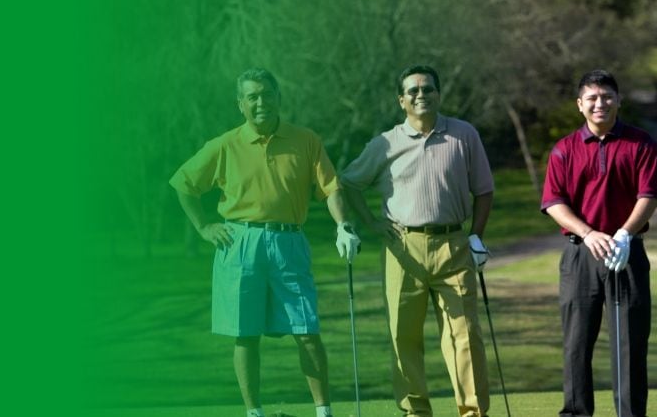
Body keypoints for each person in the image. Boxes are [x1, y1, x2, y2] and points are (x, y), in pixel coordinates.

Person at [170, 68, 360, 417]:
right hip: (239, 243)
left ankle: (323, 412)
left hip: (289, 242)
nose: (261, 102)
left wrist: (343, 226)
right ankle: (254, 412)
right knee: (246, 333)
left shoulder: (305, 140)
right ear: (240, 104)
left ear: (279, 98)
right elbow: (184, 184)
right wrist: (203, 227)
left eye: (266, 94)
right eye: (252, 96)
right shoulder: (224, 145)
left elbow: (330, 187)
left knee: (306, 329)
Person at [339, 65, 495, 417]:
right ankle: (415, 412)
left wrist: (477, 236)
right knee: (402, 335)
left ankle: (472, 412)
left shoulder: (464, 134)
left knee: (464, 335)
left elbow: (484, 191)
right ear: (401, 100)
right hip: (402, 247)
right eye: (413, 91)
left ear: (439, 95)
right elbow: (349, 181)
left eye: (428, 89)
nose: (421, 95)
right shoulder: (385, 143)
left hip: (453, 244)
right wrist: (371, 223)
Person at [541, 70, 657, 417]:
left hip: (627, 253)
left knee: (629, 345)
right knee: (576, 344)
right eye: (593, 98)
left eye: (607, 96)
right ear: (580, 105)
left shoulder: (640, 143)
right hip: (580, 255)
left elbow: (650, 195)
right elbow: (554, 203)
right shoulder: (564, 149)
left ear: (619, 100)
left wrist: (625, 233)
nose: (601, 103)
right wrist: (588, 233)